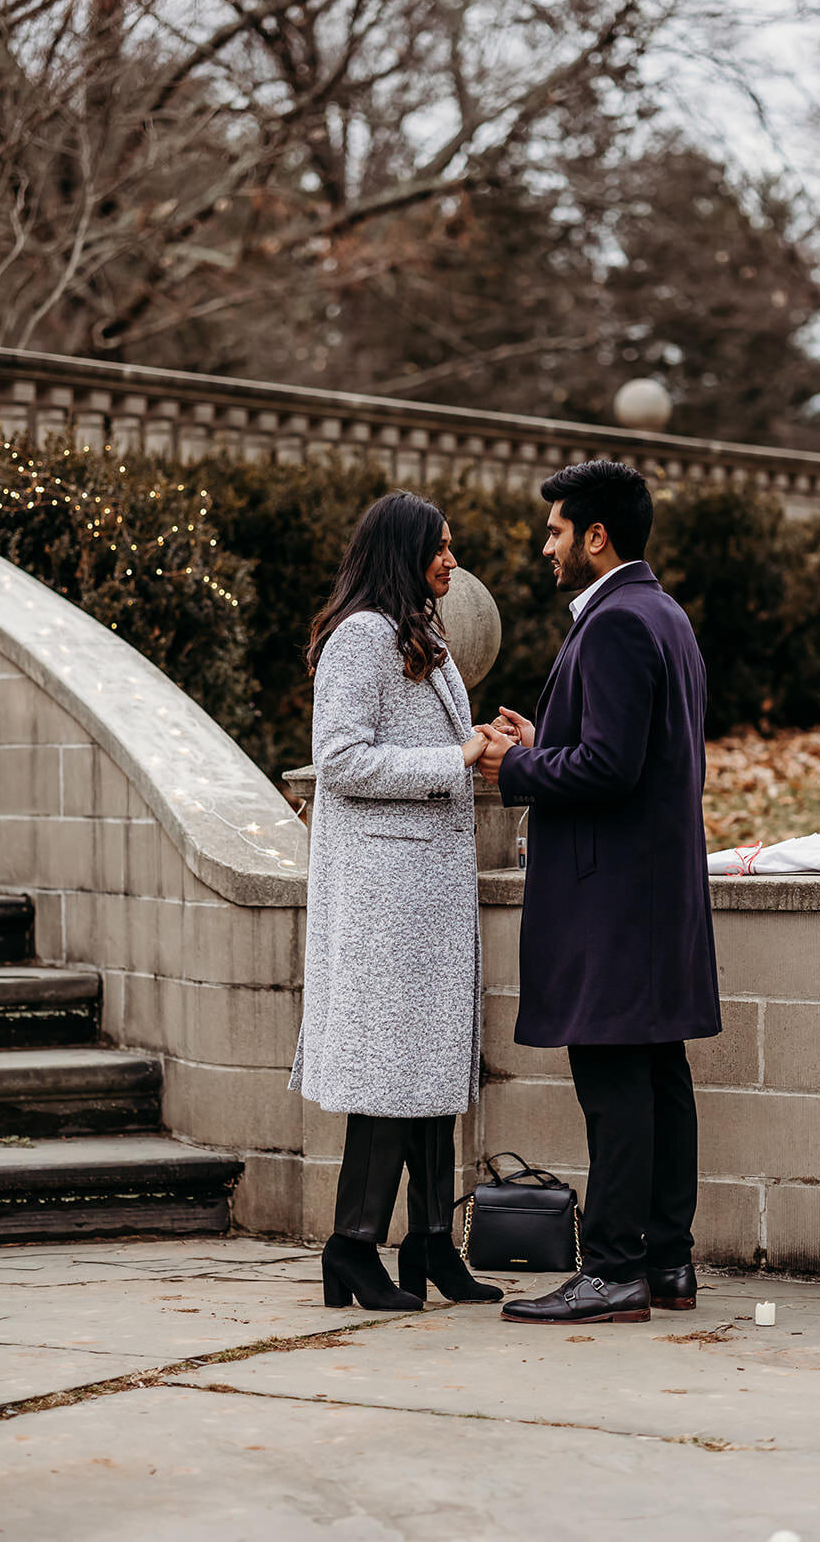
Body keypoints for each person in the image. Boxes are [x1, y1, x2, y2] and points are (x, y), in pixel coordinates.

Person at [476, 459, 721, 1325]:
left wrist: (520, 764)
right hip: (654, 896)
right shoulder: (664, 615)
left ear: (594, 536)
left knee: (615, 1084)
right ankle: (668, 1264)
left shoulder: (616, 621)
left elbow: (611, 769)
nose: (544, 547)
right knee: (658, 1078)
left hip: (611, 901)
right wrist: (550, 741)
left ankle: (614, 1271)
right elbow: (637, 752)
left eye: (553, 532)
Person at [290, 491, 501, 1312]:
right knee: (387, 1078)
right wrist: (457, 758)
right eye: (439, 547)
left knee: (430, 1076)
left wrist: (487, 746)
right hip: (384, 896)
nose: (451, 559)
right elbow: (340, 761)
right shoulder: (361, 637)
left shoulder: (426, 635)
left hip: (427, 896)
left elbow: (436, 749)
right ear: (401, 552)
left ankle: (430, 1246)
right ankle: (351, 1245)